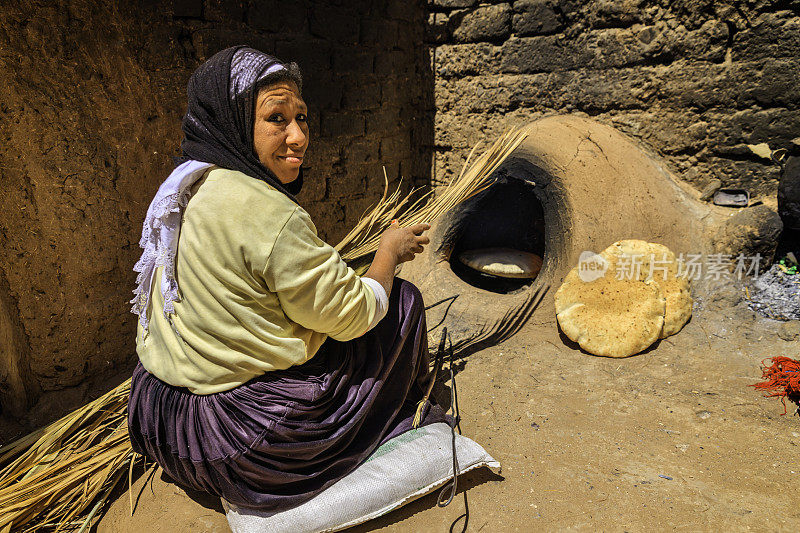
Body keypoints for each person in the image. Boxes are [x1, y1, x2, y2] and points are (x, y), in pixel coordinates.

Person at [126, 45, 450, 513]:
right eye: (276, 118)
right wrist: (388, 254)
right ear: (235, 121)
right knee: (400, 305)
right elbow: (356, 314)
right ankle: (404, 410)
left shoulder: (185, 186)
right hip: (242, 450)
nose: (298, 137)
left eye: (302, 117)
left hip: (161, 422)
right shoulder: (269, 214)